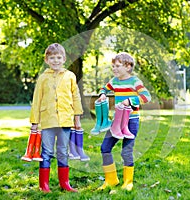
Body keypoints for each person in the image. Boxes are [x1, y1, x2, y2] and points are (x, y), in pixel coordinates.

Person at [29, 43, 83, 193]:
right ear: (47, 60)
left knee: (63, 151)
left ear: (64, 58)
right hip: (48, 121)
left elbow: (76, 97)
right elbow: (37, 100)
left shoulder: (70, 76)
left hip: (66, 120)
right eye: (52, 58)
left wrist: (77, 119)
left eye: (59, 57)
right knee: (46, 152)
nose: (56, 61)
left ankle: (64, 183)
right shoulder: (43, 78)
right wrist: (34, 122)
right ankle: (43, 185)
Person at [96, 52, 151, 191]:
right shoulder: (114, 81)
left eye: (117, 66)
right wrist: (103, 94)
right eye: (113, 66)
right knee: (105, 147)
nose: (114, 69)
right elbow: (105, 88)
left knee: (126, 151)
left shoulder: (135, 82)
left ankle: (128, 181)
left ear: (128, 66)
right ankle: (111, 180)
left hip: (131, 121)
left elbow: (146, 96)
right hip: (116, 122)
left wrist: (130, 100)